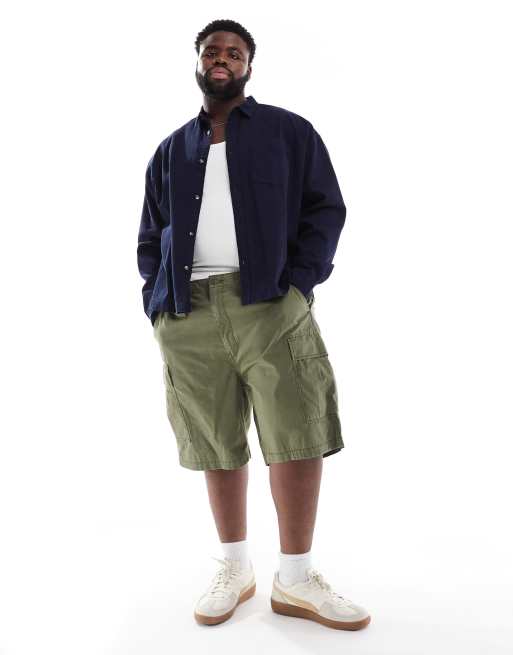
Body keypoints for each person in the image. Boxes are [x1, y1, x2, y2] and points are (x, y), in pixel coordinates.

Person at [137, 18, 371, 631]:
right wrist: (157, 304)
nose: (222, 59)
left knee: (298, 430)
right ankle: (235, 568)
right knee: (214, 439)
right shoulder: (171, 150)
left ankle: (295, 578)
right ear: (198, 62)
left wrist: (297, 288)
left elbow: (326, 208)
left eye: (234, 52)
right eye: (212, 51)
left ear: (248, 65)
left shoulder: (288, 132)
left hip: (270, 302)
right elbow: (151, 234)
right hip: (187, 313)